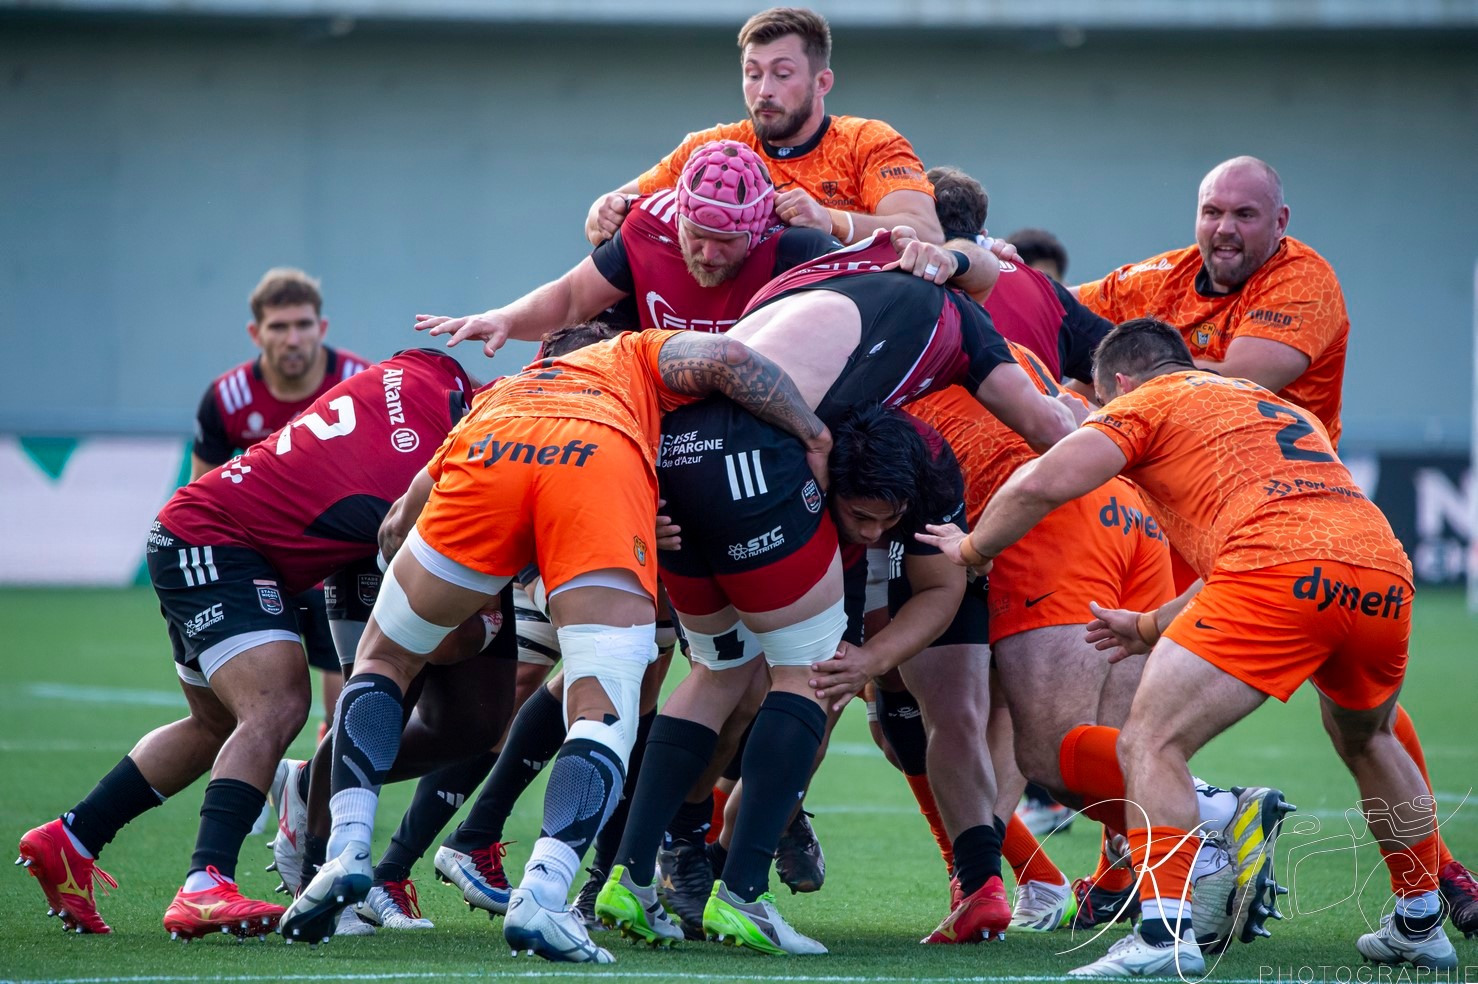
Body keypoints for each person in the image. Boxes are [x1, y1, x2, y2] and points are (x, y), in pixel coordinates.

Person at [921, 318, 1457, 977]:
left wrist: (970, 550)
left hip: (1277, 572)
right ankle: (1422, 920)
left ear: (1116, 383)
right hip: (1380, 573)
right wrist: (1147, 628)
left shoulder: (1147, 401)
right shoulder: (1276, 408)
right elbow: (1261, 541)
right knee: (1371, 740)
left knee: (1150, 742)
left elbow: (1040, 481)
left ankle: (1163, 934)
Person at [279, 327, 832, 965]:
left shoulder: (504, 390)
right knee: (605, 708)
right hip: (599, 460)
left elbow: (398, 523)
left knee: (383, 661)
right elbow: (727, 356)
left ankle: (346, 849)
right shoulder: (631, 352)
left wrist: (429, 593)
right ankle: (542, 893)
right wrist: (813, 434)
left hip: (488, 452)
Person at [1074, 156, 1478, 935]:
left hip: (1282, 520)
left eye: (1245, 215)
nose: (1224, 228)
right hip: (1186, 511)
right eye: (1212, 211)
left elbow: (1241, 380)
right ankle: (1125, 864)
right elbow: (1062, 312)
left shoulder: (1304, 282)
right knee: (1128, 686)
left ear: (1280, 223)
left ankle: (1432, 871)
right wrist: (997, 277)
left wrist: (1100, 387)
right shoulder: (1158, 278)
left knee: (1351, 718)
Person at [16, 349, 481, 940]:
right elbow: (443, 619)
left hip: (194, 530)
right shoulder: (420, 482)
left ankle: (71, 838)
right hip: (219, 543)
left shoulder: (428, 373)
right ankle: (205, 884)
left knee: (213, 725)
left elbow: (425, 362)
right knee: (277, 705)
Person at [584, 7, 942, 248]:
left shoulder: (867, 142)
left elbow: (926, 233)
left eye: (782, 74)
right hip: (729, 321)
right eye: (752, 74)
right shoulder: (715, 147)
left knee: (804, 243)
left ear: (822, 83)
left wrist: (829, 220)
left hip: (845, 316)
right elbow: (613, 204)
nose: (764, 90)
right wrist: (602, 209)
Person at [191, 268, 371, 741]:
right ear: (256, 333)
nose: (293, 339)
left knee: (347, 705)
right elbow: (199, 494)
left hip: (335, 558)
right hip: (258, 560)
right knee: (256, 707)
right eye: (279, 327)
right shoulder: (227, 398)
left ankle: (316, 796)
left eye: (303, 325)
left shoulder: (357, 382)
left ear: (322, 327)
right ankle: (253, 797)